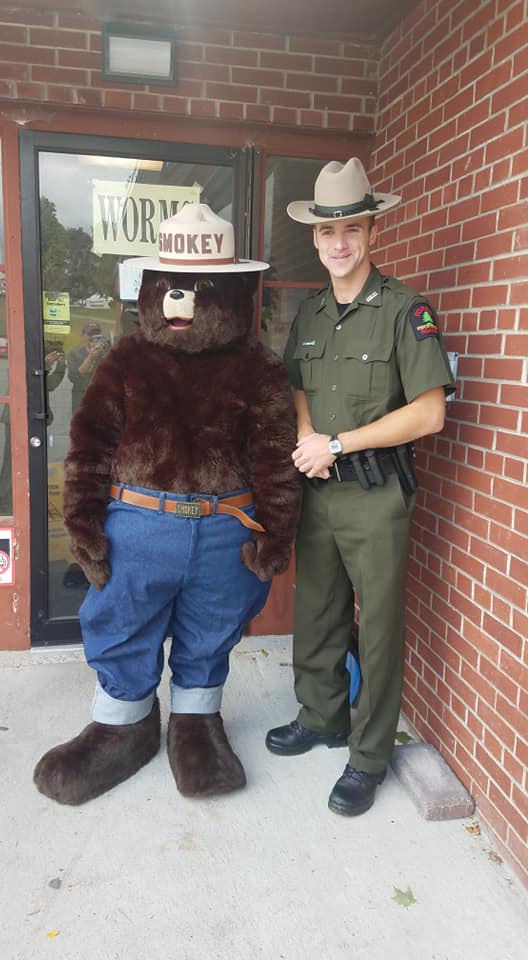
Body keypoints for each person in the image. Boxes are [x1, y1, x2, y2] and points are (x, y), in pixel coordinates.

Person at [266, 158, 455, 817]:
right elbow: (294, 385)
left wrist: (339, 445)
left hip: (376, 499)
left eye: (351, 228)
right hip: (320, 490)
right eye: (327, 232)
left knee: (374, 630)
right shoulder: (311, 312)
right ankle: (320, 716)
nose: (338, 242)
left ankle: (368, 756)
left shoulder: (406, 311)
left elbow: (429, 412)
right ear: (315, 240)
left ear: (372, 232)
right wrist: (309, 439)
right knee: (316, 610)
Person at [66, 321, 109, 415]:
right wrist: (90, 356)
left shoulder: (106, 352)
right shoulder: (74, 354)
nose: (93, 337)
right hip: (81, 396)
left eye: (96, 334)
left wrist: (105, 353)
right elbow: (74, 378)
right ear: (82, 336)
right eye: (89, 334)